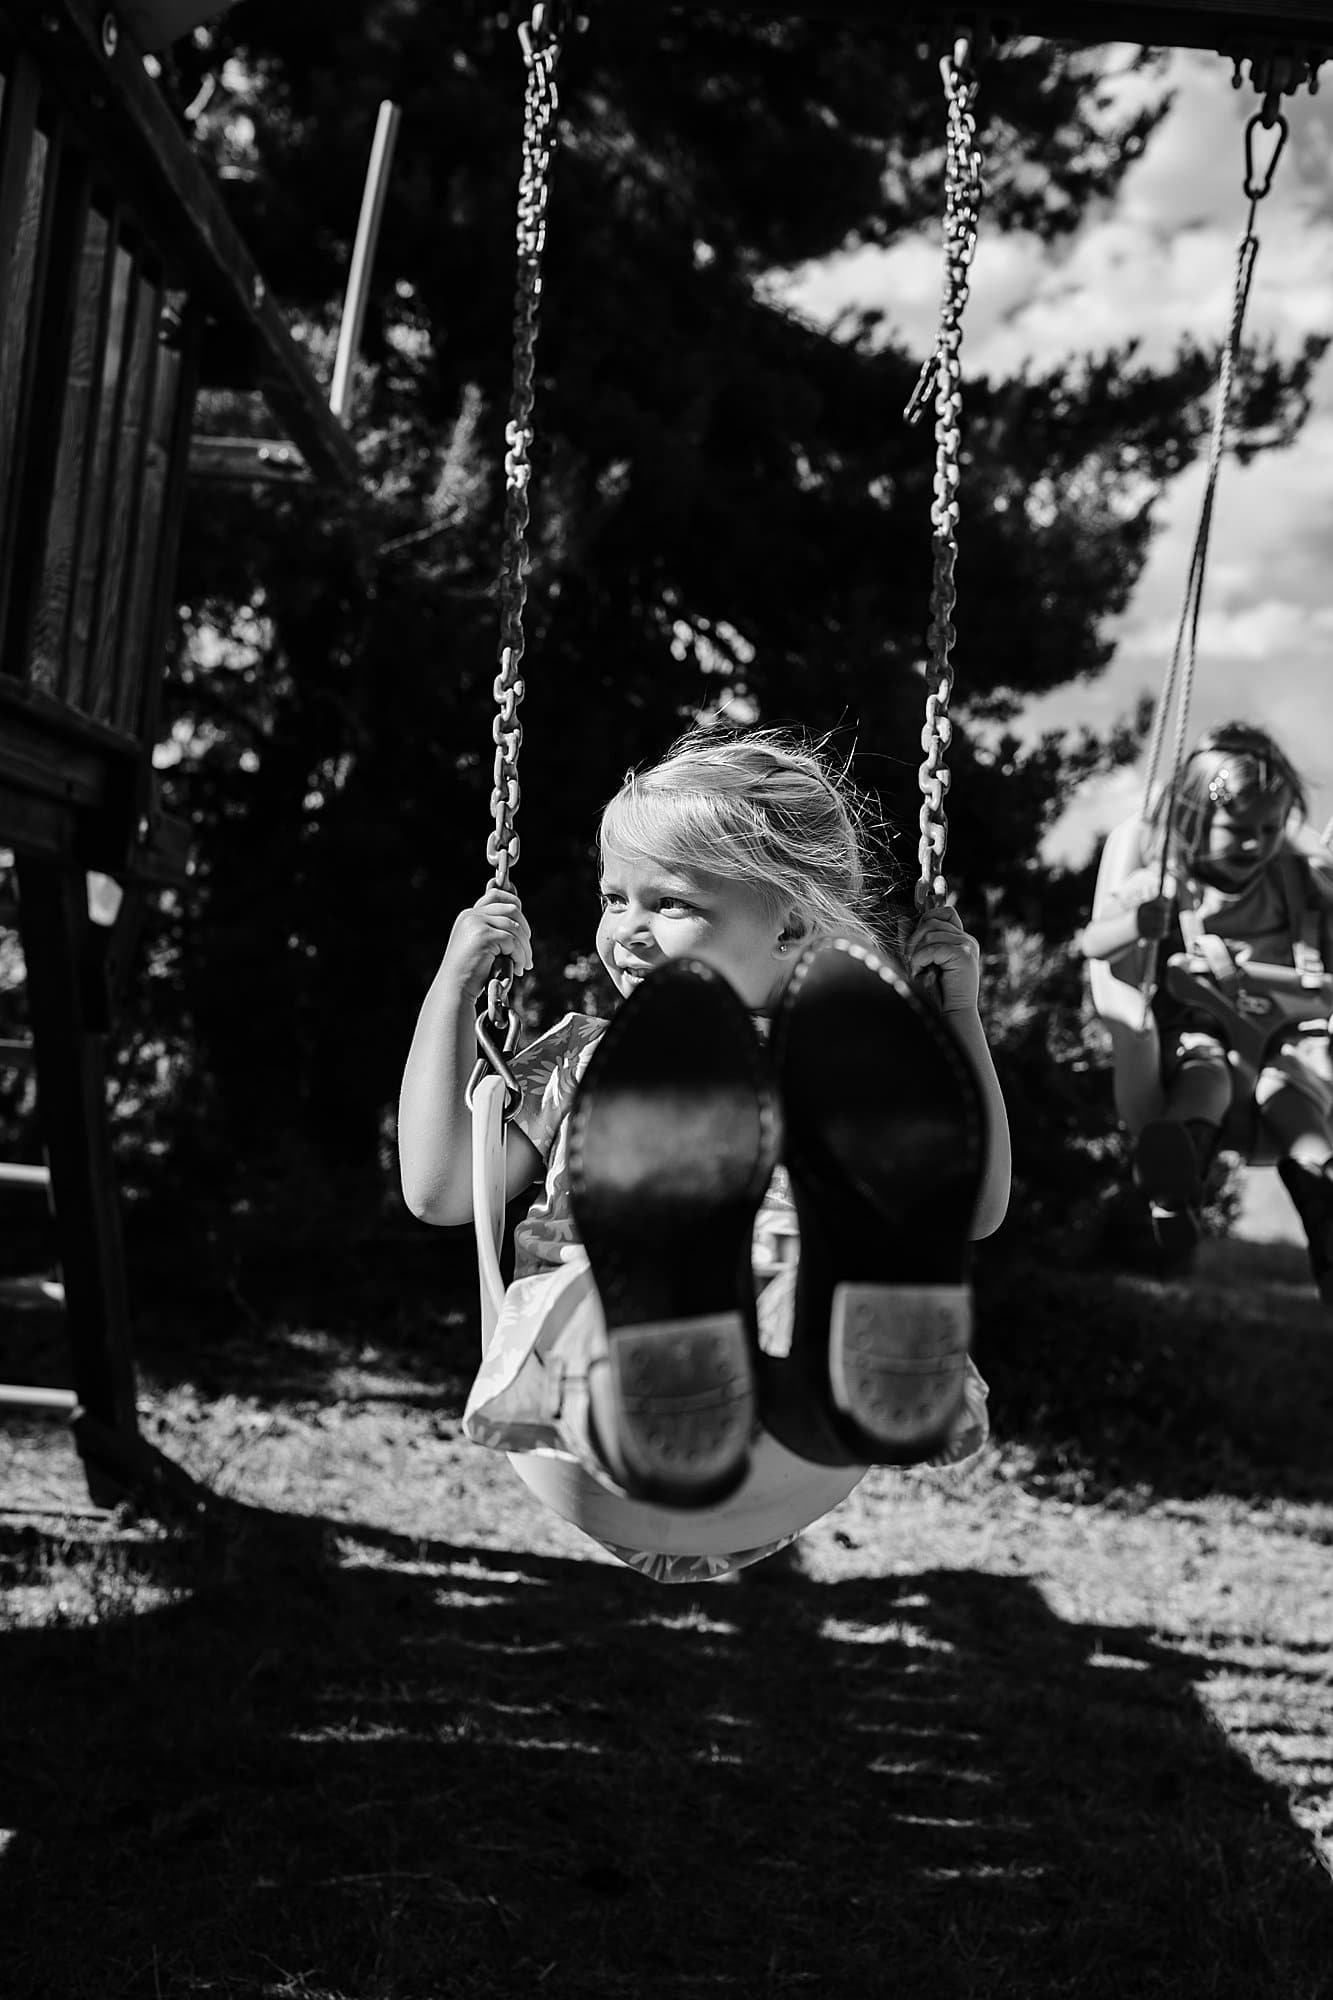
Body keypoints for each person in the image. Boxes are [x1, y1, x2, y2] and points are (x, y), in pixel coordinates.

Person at [399, 727, 1011, 1582]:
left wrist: (955, 1020)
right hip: (594, 1407)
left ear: (791, 920)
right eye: (616, 899)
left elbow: (974, 1207)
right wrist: (453, 990)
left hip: (784, 1426)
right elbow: (437, 1191)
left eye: (672, 904)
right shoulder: (583, 1058)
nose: (628, 933)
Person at [1081, 720, 1333, 1291]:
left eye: (1271, 828)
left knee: (1294, 1098)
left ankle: (1325, 1208)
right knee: (1205, 1075)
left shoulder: (1296, 877)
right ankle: (1179, 1169)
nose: (1258, 842)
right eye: (1239, 829)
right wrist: (1137, 923)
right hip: (1203, 1021)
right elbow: (1092, 944)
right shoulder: (1167, 878)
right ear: (1195, 819)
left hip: (1289, 1027)